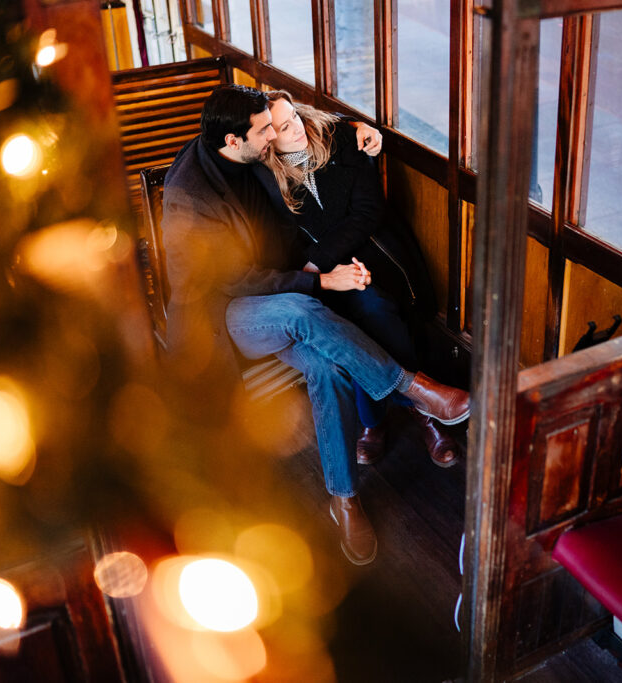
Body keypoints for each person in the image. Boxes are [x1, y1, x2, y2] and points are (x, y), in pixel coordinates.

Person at [159, 84, 469, 566]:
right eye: (264, 132)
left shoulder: (244, 151)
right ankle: (413, 389)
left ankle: (344, 499)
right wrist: (323, 281)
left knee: (329, 370)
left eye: (270, 128)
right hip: (223, 314)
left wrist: (357, 130)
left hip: (274, 292)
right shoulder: (190, 199)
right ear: (233, 143)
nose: (272, 139)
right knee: (304, 314)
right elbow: (236, 281)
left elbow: (299, 124)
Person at [259, 90, 460, 468]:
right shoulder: (267, 178)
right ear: (267, 140)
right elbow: (282, 241)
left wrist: (319, 263)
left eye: (295, 117)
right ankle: (415, 409)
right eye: (284, 128)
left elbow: (367, 212)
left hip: (376, 255)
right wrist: (320, 272)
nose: (297, 130)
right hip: (322, 277)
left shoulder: (340, 138)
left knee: (375, 308)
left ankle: (388, 419)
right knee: (349, 319)